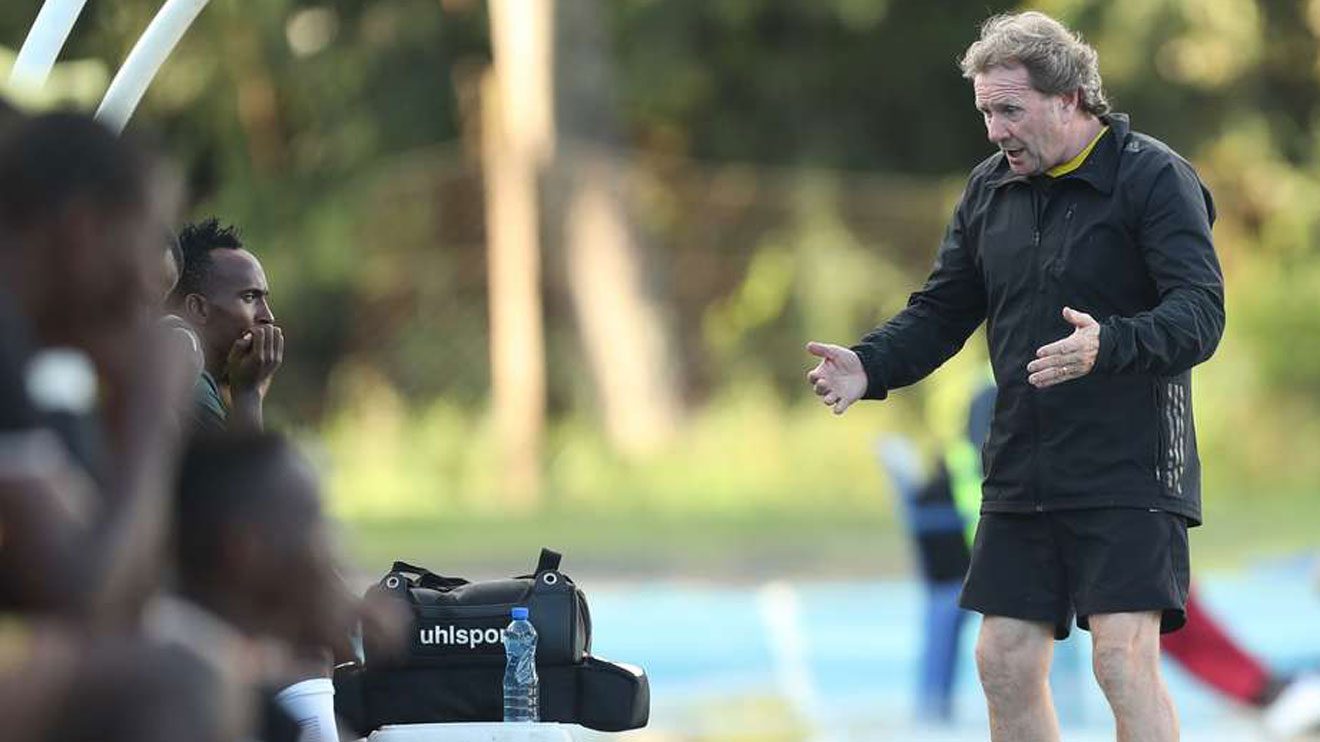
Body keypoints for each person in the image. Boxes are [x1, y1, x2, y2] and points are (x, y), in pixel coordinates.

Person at [807, 11, 1225, 741]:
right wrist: (870, 363)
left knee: (1122, 660)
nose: (995, 130)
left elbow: (1201, 313)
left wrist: (1111, 343)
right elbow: (942, 311)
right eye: (986, 113)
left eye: (1009, 109)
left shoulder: (1155, 177)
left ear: (1069, 99)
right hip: (1023, 461)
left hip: (1129, 465)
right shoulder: (988, 191)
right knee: (1001, 660)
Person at [153, 432, 359, 741]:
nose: (332, 549)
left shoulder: (231, 677)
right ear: (246, 550)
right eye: (313, 524)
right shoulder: (181, 697)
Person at [167, 218, 283, 433]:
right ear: (198, 308)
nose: (268, 316)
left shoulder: (203, 387)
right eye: (250, 297)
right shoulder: (192, 389)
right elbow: (247, 467)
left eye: (264, 299)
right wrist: (249, 394)